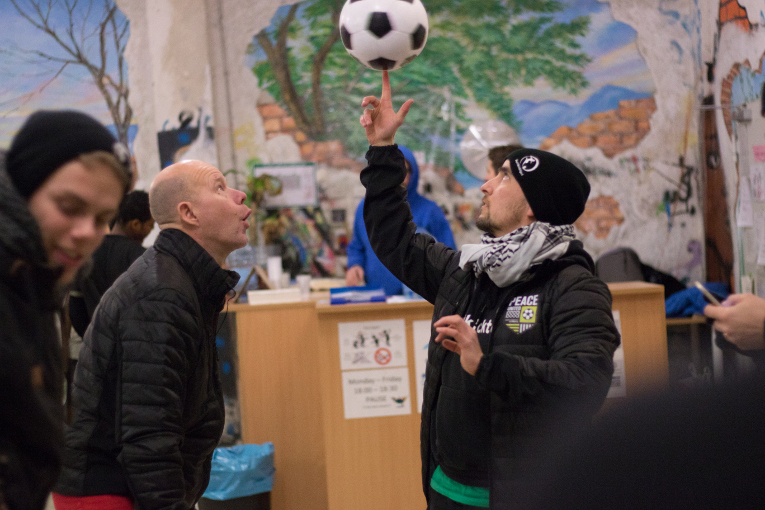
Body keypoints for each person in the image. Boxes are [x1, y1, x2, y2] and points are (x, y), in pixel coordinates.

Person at [357, 71, 619, 509]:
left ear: (532, 205)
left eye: (502, 178)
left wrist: (489, 365)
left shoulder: (574, 285)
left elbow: (586, 382)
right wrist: (383, 150)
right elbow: (394, 239)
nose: (485, 184)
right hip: (444, 488)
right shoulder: (468, 270)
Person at [53, 160, 251, 510]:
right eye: (219, 187)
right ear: (188, 213)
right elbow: (148, 435)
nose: (240, 196)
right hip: (111, 493)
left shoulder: (183, 281)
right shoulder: (162, 294)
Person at [0, 110, 131, 510]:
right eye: (69, 207)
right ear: (25, 188)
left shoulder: (36, 282)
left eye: (103, 219)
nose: (87, 232)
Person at [346, 145, 456, 295]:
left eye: (403, 170)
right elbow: (357, 247)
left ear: (413, 174)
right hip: (375, 299)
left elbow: (449, 258)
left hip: (418, 303)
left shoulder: (430, 212)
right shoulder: (366, 209)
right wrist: (355, 265)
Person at [68, 189, 154, 337]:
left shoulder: (88, 253)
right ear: (135, 224)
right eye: (150, 225)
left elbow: (76, 307)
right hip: (133, 343)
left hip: (94, 342)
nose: (151, 230)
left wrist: (93, 339)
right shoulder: (143, 257)